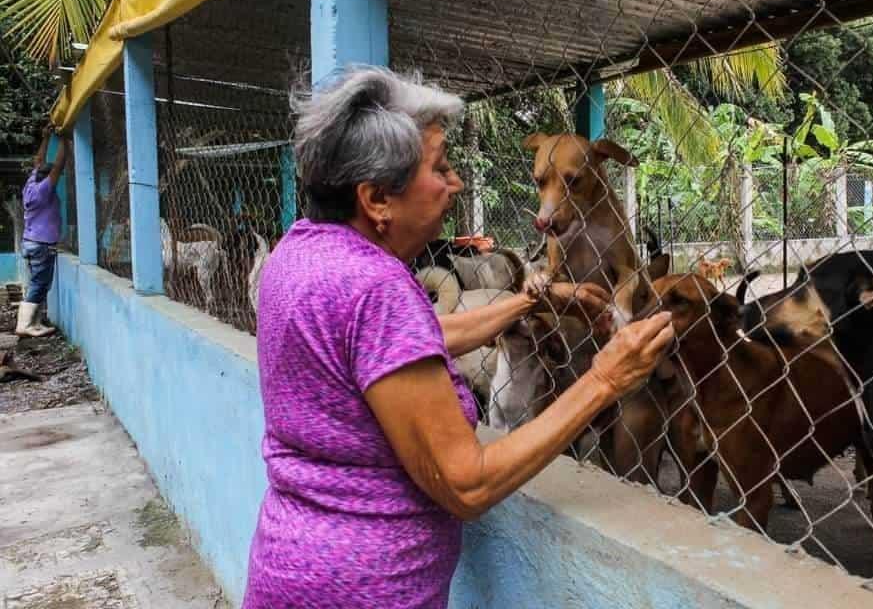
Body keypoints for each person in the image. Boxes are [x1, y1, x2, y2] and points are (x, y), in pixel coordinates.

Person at [242, 67, 674, 609]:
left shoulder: (300, 254)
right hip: (367, 590)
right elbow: (467, 484)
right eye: (441, 168)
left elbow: (395, 348)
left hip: (289, 568)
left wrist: (531, 300)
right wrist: (605, 378)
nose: (457, 183)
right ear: (377, 198)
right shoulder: (378, 290)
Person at [17, 128, 68, 338]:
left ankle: (35, 323)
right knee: (39, 284)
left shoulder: (31, 184)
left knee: (39, 283)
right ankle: (24, 325)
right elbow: (58, 166)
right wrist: (65, 140)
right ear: (48, 178)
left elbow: (39, 160)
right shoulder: (43, 191)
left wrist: (46, 137)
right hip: (40, 245)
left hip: (30, 242)